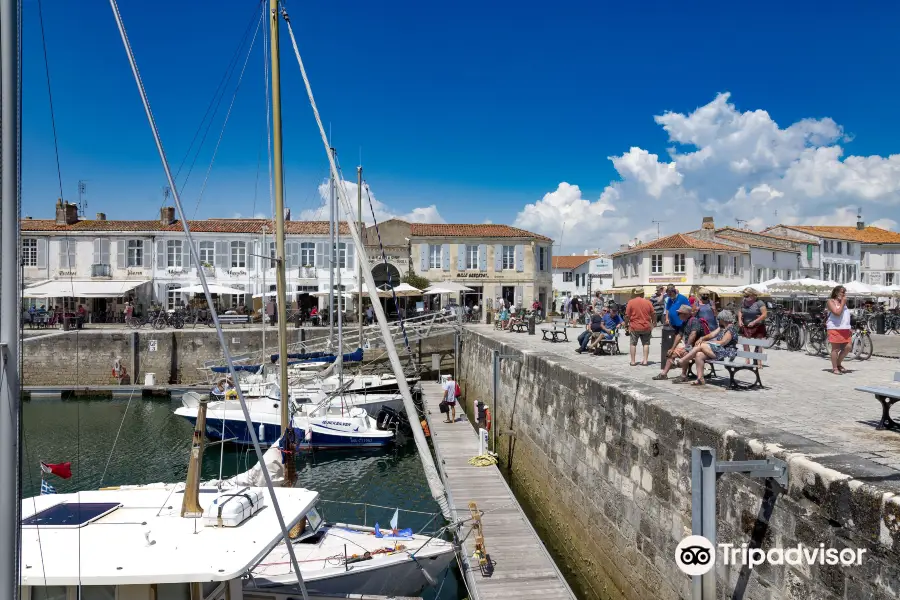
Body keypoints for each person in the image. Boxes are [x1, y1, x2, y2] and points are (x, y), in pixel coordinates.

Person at [679, 310, 740, 386]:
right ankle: (700, 379)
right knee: (699, 355)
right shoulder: (722, 328)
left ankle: (682, 360)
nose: (718, 321)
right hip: (720, 351)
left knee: (701, 345)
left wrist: (707, 342)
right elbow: (711, 335)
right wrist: (703, 338)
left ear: (723, 319)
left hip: (727, 354)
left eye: (719, 319)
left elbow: (722, 342)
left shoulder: (731, 329)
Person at [653, 304, 702, 381]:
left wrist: (686, 348)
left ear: (685, 314)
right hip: (689, 346)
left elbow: (693, 334)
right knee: (671, 353)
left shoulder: (694, 321)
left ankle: (683, 375)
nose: (678, 315)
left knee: (685, 354)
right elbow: (679, 335)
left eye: (679, 313)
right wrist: (672, 348)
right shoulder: (685, 322)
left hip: (697, 347)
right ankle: (664, 374)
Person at [625, 287, 655, 366]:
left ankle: (633, 361)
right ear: (642, 293)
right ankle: (645, 361)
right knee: (645, 343)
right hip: (646, 326)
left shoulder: (631, 302)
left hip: (634, 326)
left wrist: (626, 325)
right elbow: (653, 313)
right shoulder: (648, 302)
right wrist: (654, 322)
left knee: (633, 344)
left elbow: (627, 316)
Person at [826, 285, 851, 375]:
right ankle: (835, 367)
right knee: (835, 349)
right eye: (842, 292)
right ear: (836, 292)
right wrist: (843, 303)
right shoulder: (831, 301)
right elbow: (837, 313)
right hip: (835, 328)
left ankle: (839, 363)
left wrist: (849, 327)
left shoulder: (843, 303)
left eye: (845, 292)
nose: (844, 294)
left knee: (848, 347)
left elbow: (845, 316)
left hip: (845, 328)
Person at [738, 289, 767, 365]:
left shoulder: (759, 303)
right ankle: (747, 360)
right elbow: (740, 311)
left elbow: (764, 315)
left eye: (747, 296)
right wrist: (740, 320)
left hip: (758, 326)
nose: (745, 297)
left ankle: (758, 361)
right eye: (744, 296)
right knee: (745, 342)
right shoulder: (744, 301)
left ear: (752, 295)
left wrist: (754, 322)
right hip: (746, 325)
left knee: (759, 343)